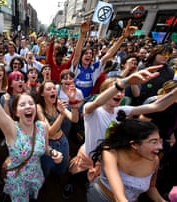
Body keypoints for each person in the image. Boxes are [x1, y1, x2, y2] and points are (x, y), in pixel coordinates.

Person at [0, 37, 63, 202]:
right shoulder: (11, 128)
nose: (28, 107)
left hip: (36, 175)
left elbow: (46, 148)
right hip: (18, 180)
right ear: (17, 112)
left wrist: (53, 153)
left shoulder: (42, 126)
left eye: (31, 104)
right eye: (23, 105)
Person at [65, 65, 177, 198]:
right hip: (88, 155)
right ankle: (70, 184)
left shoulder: (122, 110)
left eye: (122, 91)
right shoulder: (92, 110)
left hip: (108, 160)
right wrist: (125, 81)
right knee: (76, 174)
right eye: (114, 91)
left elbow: (157, 106)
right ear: (103, 93)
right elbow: (96, 103)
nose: (119, 93)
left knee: (94, 184)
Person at [88, 117, 166, 202]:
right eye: (154, 142)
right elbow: (119, 197)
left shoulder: (155, 161)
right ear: (134, 144)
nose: (160, 147)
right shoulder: (111, 153)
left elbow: (151, 187)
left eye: (160, 141)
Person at [37, 80, 79, 178]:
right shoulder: (39, 108)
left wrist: (72, 101)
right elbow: (50, 132)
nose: (53, 91)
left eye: (54, 89)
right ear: (42, 94)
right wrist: (61, 114)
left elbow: (75, 119)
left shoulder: (58, 103)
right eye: (48, 89)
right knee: (46, 170)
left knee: (62, 169)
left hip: (63, 141)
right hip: (48, 145)